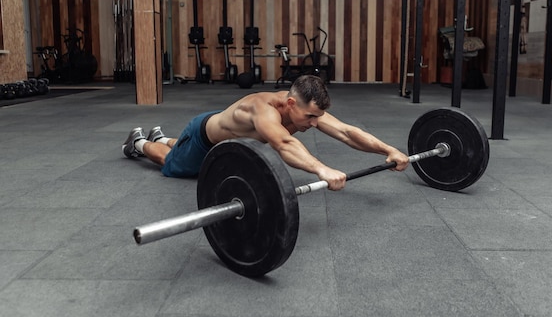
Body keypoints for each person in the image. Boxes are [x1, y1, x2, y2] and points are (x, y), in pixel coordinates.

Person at [122, 75, 409, 190]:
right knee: (173, 166)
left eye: (317, 117)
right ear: (291, 103)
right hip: (205, 138)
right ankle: (142, 142)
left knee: (183, 152)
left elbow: (347, 132)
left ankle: (164, 137)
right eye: (310, 117)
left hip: (232, 142)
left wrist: (388, 150)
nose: (313, 123)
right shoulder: (264, 110)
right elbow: (283, 144)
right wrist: (322, 169)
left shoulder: (305, 111)